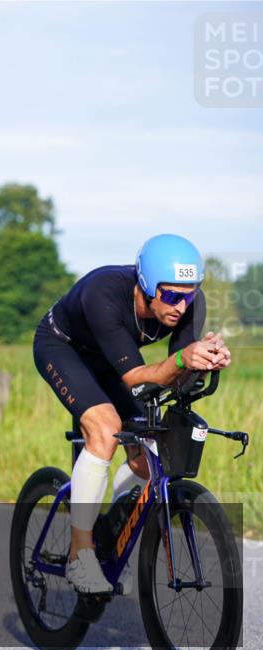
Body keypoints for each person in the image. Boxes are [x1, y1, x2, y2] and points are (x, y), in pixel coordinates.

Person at [33, 233, 232, 594]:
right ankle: (81, 553)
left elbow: (176, 374)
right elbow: (137, 379)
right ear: (144, 285)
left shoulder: (186, 302)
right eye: (171, 296)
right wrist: (183, 359)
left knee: (147, 455)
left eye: (189, 295)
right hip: (64, 349)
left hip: (114, 360)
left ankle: (112, 536)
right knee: (105, 427)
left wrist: (204, 362)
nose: (181, 307)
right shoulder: (104, 292)